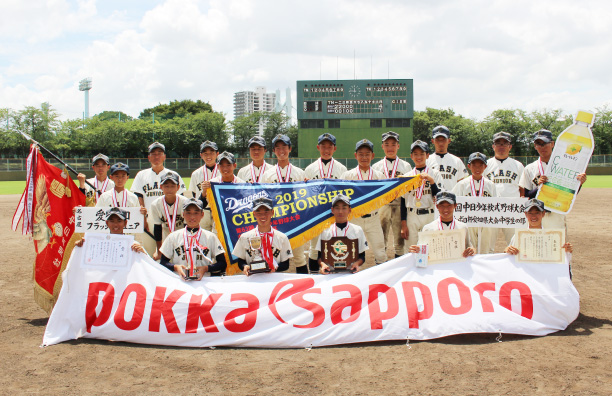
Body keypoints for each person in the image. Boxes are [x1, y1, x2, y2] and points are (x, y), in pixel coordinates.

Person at [518, 129, 587, 231]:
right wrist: (539, 188)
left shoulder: (564, 166)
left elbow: (571, 194)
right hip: (536, 215)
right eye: (539, 144)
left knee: (557, 245)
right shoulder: (530, 168)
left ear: (552, 144)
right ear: (535, 146)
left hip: (556, 213)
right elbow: (526, 196)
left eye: (545, 143)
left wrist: (579, 184)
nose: (542, 147)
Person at [262, 134, 309, 274]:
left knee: (299, 257)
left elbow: (307, 198)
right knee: (275, 257)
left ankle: (305, 289)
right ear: (274, 151)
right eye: (278, 148)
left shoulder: (300, 173)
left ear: (290, 149)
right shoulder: (267, 175)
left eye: (284, 147)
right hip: (276, 221)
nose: (281, 150)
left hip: (295, 220)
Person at [130, 142, 186, 255]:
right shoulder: (141, 174)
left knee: (176, 251)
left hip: (173, 219)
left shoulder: (173, 174)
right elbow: (138, 196)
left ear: (164, 156)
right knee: (150, 251)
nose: (156, 156)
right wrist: (143, 218)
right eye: (153, 154)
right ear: (149, 157)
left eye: (160, 153)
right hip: (150, 218)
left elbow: (182, 198)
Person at [303, 132, 348, 272]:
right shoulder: (310, 169)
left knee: (336, 244)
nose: (326, 150)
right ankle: (314, 275)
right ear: (318, 147)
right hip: (316, 214)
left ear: (335, 148)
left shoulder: (341, 169)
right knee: (314, 247)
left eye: (330, 147)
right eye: (323, 146)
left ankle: (336, 272)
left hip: (335, 214)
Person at [341, 139, 387, 265]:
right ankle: (353, 281)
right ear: (355, 155)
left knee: (380, 253)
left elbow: (386, 196)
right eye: (361, 154)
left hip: (374, 219)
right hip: (355, 218)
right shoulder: (347, 176)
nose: (364, 157)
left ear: (373, 156)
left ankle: (381, 281)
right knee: (352, 252)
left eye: (367, 154)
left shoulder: (380, 176)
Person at [159, 198, 227, 279]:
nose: (192, 217)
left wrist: (205, 268)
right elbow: (163, 262)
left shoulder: (210, 237)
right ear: (183, 214)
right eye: (188, 213)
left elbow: (222, 263)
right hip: (180, 281)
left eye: (196, 213)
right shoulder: (173, 236)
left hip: (203, 281)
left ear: (202, 214)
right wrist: (176, 267)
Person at [372, 131, 412, 258]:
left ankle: (398, 271)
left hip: (400, 205)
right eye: (387, 144)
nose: (390, 148)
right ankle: (382, 270)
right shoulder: (376, 167)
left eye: (393, 144)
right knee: (381, 240)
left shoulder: (406, 166)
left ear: (398, 146)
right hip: (382, 205)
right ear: (382, 146)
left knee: (400, 243)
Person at [232, 197, 293, 276]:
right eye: (258, 213)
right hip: (253, 280)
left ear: (272, 212)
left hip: (274, 280)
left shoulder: (282, 237)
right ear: (254, 214)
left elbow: (286, 264)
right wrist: (245, 266)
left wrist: (274, 268)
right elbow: (241, 261)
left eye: (266, 212)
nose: (262, 216)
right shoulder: (245, 237)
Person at [400, 140, 443, 252]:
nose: (419, 157)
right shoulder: (407, 176)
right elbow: (402, 202)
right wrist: (403, 224)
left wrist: (432, 181)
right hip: (412, 215)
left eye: (422, 154)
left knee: (431, 247)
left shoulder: (435, 174)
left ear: (427, 155)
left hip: (429, 214)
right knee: (411, 249)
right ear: (411, 156)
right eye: (415, 154)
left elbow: (439, 197)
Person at [485, 132, 525, 250]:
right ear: (493, 146)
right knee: (487, 246)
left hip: (512, 209)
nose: (501, 146)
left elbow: (522, 188)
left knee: (515, 245)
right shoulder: (486, 164)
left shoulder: (518, 165)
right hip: (491, 209)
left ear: (510, 146)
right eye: (498, 143)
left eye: (504, 143)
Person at [452, 152, 497, 254]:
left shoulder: (490, 185)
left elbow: (496, 203)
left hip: (486, 220)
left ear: (485, 166)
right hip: (468, 220)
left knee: (486, 249)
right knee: (469, 248)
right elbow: (453, 199)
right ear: (469, 166)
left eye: (480, 165)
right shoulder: (462, 184)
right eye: (474, 165)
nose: (477, 168)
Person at [408, 191, 474, 257]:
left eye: (449, 206)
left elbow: (469, 247)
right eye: (442, 206)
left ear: (455, 205)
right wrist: (415, 250)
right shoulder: (428, 228)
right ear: (437, 206)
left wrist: (472, 250)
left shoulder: (462, 227)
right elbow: (421, 252)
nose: (445, 209)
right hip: (436, 266)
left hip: (456, 265)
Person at [315, 194, 368, 274]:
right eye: (337, 208)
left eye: (344, 208)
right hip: (330, 273)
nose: (340, 211)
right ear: (332, 210)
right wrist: (323, 265)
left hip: (350, 273)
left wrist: (356, 264)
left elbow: (362, 256)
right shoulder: (325, 231)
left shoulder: (357, 230)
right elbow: (320, 257)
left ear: (349, 210)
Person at [504, 198, 573, 254]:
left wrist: (567, 251)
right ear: (525, 214)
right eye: (530, 213)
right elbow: (508, 258)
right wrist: (507, 251)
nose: (533, 217)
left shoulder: (552, 237)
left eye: (537, 213)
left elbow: (559, 258)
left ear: (543, 214)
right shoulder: (518, 236)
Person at [150, 171, 190, 260]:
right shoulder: (155, 204)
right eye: (166, 186)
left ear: (178, 187)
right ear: (161, 187)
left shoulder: (185, 202)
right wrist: (159, 250)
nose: (169, 189)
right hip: (165, 238)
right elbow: (157, 228)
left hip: (182, 238)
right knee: (160, 262)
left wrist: (187, 246)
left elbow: (187, 226)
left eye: (173, 186)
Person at [74, 207, 146, 254]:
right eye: (112, 221)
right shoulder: (100, 243)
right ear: (107, 223)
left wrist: (142, 252)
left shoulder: (133, 244)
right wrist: (81, 246)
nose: (115, 224)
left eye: (119, 221)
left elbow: (146, 264)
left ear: (125, 223)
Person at [187, 140, 219, 230]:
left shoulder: (223, 172)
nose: (208, 156)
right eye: (205, 153)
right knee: (202, 239)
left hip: (219, 211)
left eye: (212, 153)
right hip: (202, 212)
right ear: (201, 155)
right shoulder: (196, 174)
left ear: (217, 154)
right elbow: (193, 195)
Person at [426, 125, 469, 191]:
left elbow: (462, 183)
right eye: (437, 140)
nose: (441, 143)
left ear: (449, 140)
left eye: (443, 140)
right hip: (431, 199)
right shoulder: (427, 160)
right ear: (432, 141)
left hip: (451, 199)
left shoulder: (457, 161)